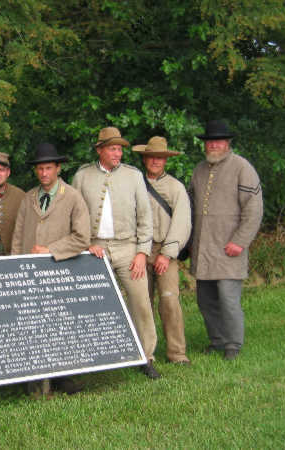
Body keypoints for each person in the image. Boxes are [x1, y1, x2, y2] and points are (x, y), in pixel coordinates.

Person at [73, 127, 160, 379]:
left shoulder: (134, 176)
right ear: (100, 150)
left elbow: (145, 217)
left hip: (128, 248)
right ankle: (91, 357)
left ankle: (146, 356)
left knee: (141, 302)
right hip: (93, 249)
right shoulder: (82, 176)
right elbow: (75, 215)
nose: (118, 153)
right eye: (112, 148)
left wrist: (142, 253)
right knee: (90, 304)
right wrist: (85, 245)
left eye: (120, 149)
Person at [11, 142, 91, 394]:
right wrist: (16, 267)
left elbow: (82, 237)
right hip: (30, 274)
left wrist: (51, 250)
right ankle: (34, 380)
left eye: (48, 168)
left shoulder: (73, 197)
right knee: (33, 326)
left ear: (58, 168)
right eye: (40, 169)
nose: (44, 173)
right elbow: (18, 236)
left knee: (61, 326)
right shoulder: (28, 198)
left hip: (60, 272)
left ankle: (64, 377)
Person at [189, 120, 263, 360]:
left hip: (229, 248)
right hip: (203, 249)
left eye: (218, 141)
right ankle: (217, 340)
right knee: (205, 300)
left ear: (227, 143)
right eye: (210, 141)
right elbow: (190, 207)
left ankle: (233, 344)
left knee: (228, 300)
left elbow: (254, 209)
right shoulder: (199, 170)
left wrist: (240, 241)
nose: (213, 145)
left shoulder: (242, 167)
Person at [132, 136, 192, 364]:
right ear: (144, 159)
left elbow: (182, 223)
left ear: (165, 160)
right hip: (139, 250)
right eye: (151, 157)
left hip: (166, 250)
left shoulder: (176, 187)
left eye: (160, 157)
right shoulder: (134, 184)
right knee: (141, 301)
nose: (155, 161)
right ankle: (143, 352)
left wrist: (167, 255)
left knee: (169, 300)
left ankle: (177, 352)